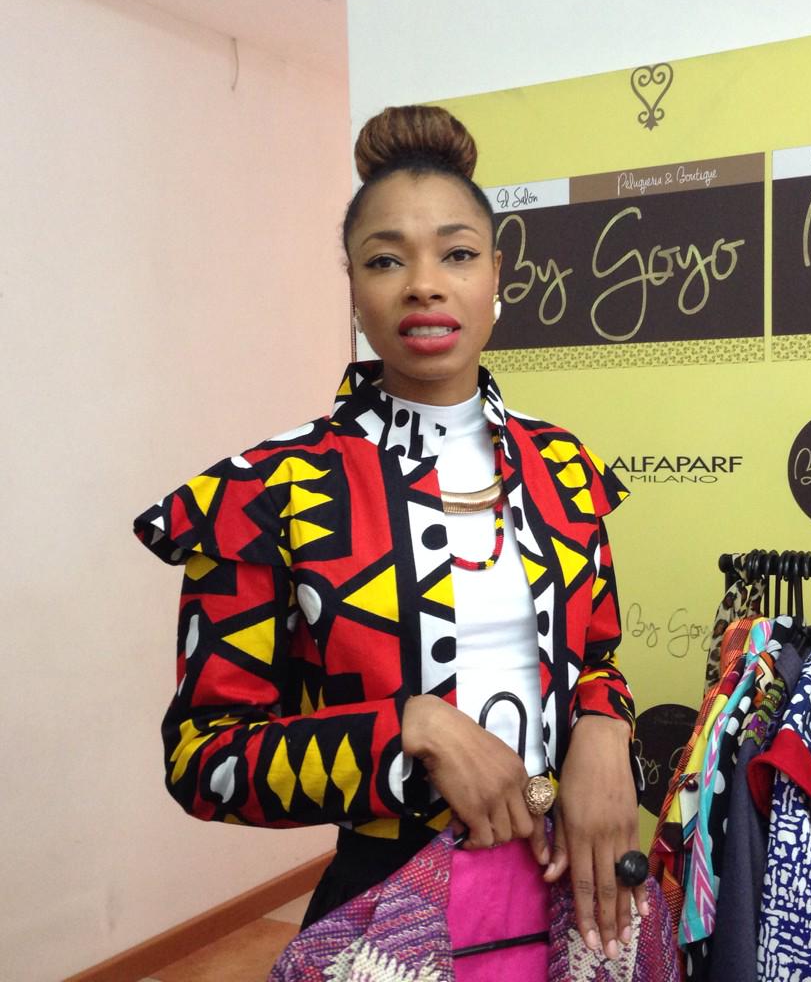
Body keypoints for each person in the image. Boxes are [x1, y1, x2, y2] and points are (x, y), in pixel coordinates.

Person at [134, 104, 646, 972]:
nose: (424, 285)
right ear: (353, 285)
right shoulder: (265, 492)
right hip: (387, 907)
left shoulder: (564, 467)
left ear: (496, 274)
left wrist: (604, 728)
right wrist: (411, 730)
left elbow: (597, 658)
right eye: (385, 259)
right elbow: (205, 757)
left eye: (457, 254)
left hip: (569, 897)